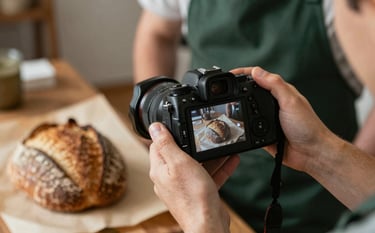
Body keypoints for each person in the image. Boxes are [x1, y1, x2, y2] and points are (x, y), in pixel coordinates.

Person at [133, 1, 375, 232]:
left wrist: (202, 221)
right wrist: (316, 150)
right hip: (225, 184)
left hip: (319, 204)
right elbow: (157, 34)